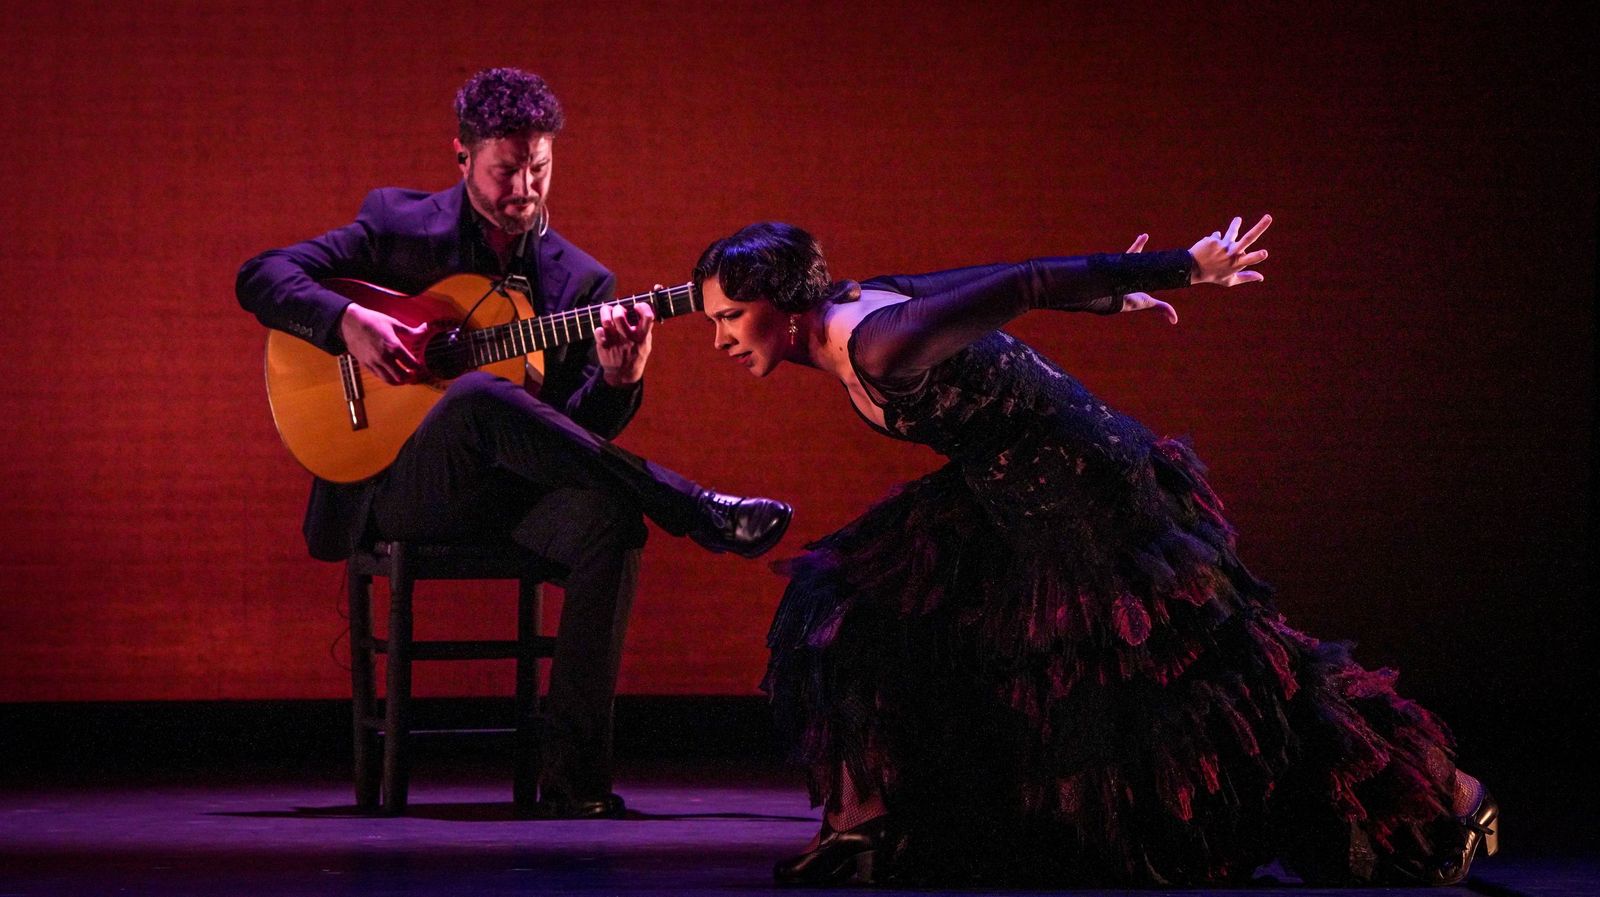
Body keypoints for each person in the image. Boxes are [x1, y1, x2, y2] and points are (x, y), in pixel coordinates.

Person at [691, 218, 1497, 885]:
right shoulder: (859, 305)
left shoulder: (876, 342)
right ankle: (872, 824)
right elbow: (992, 276)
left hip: (1091, 489)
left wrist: (1183, 267)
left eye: (731, 316)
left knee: (1215, 684)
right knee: (846, 602)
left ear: (783, 303)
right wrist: (1109, 300)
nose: (723, 339)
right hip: (1001, 482)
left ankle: (1438, 801)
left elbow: (1027, 284)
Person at [237, 68, 792, 819]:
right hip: (399, 487)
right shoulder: (397, 226)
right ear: (462, 158)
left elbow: (569, 437)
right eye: (506, 169)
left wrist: (618, 382)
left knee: (609, 522)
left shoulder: (581, 282)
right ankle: (691, 504)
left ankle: (576, 784)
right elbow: (260, 274)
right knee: (474, 395)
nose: (524, 187)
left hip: (507, 499)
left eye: (539, 166)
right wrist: (346, 322)